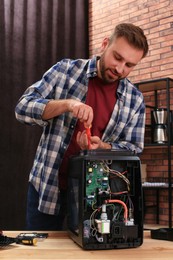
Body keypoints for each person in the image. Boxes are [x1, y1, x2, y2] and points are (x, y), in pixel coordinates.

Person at [15, 23, 149, 231]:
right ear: (105, 44)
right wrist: (68, 104)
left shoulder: (135, 100)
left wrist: (102, 147)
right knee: (43, 251)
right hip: (47, 185)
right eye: (117, 57)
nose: (120, 69)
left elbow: (134, 148)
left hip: (96, 195)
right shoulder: (65, 71)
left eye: (129, 65)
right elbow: (22, 108)